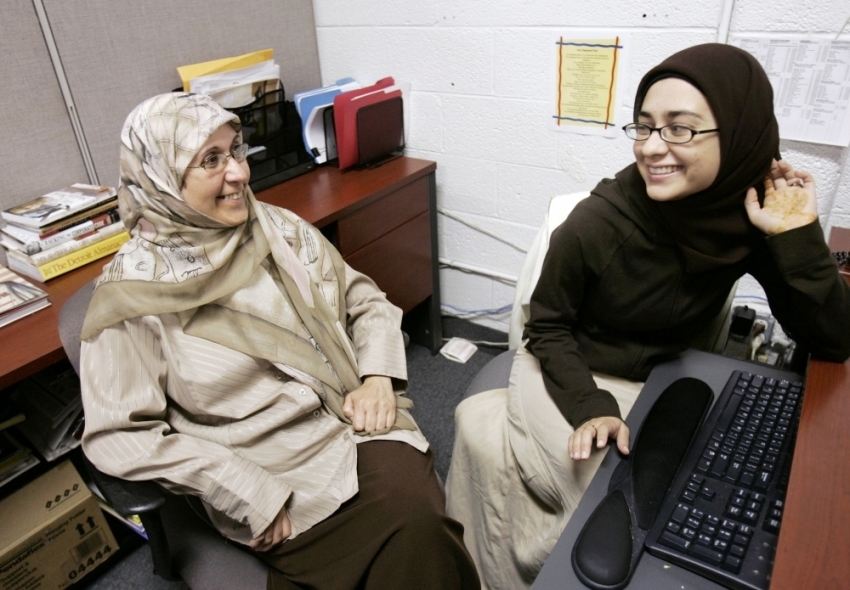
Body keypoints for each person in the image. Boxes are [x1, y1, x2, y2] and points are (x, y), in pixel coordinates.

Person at [445, 43, 850, 589]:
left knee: (692, 499)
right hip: (569, 370)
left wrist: (796, 236)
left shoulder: (744, 218)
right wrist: (592, 406)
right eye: (644, 127)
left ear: (738, 135)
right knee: (613, 520)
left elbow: (833, 339)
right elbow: (547, 329)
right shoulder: (597, 224)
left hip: (664, 375)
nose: (653, 147)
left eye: (679, 129)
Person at [79, 92, 480, 590]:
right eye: (210, 160)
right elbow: (116, 435)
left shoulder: (275, 226)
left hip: (349, 420)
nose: (240, 173)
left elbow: (364, 300)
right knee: (415, 538)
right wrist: (240, 487)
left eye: (236, 150)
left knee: (418, 528)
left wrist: (377, 377)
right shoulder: (133, 299)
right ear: (161, 179)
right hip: (263, 472)